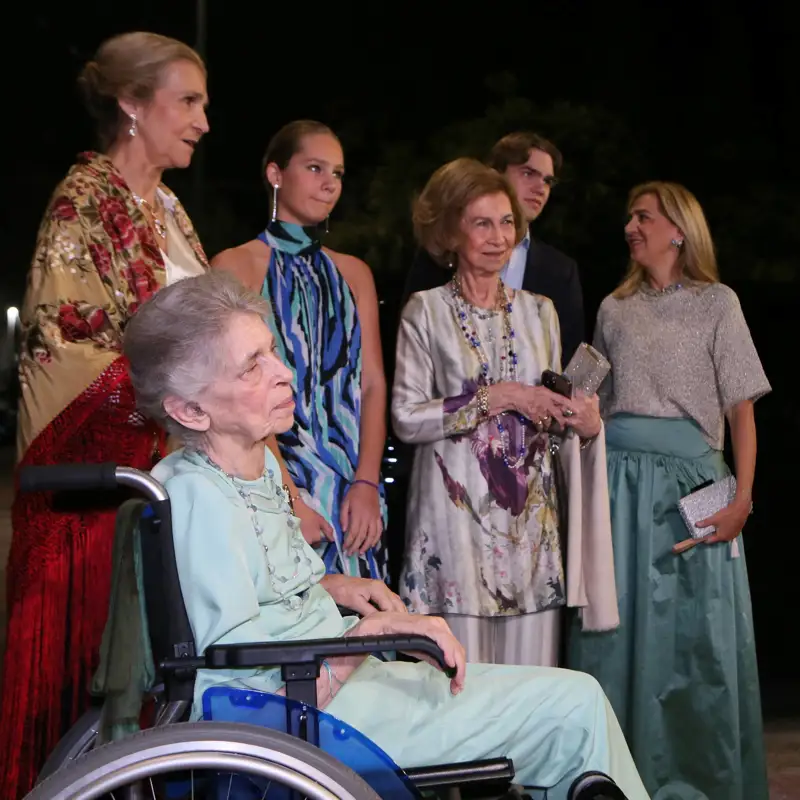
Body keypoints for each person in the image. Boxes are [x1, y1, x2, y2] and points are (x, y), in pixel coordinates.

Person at [123, 270, 650, 800]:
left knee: (569, 703)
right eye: (251, 368)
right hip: (313, 717)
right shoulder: (196, 496)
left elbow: (256, 589)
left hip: (334, 682)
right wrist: (370, 636)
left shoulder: (249, 465)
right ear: (190, 409)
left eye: (272, 353)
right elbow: (234, 683)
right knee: (574, 707)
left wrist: (335, 586)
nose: (284, 373)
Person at [0, 32, 209, 798]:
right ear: (131, 103)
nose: (203, 121)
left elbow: (210, 339)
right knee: (82, 708)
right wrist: (191, 402)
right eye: (188, 101)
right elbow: (69, 354)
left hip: (173, 485)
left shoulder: (169, 209)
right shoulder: (81, 204)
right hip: (97, 510)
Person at [568, 182, 770, 800]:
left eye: (643, 216)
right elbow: (584, 395)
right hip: (620, 485)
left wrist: (742, 498)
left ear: (678, 229)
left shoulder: (718, 303)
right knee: (614, 629)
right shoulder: (613, 308)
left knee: (698, 637)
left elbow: (741, 413)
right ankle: (614, 781)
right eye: (630, 216)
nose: (631, 226)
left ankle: (700, 781)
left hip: (693, 485)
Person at [392, 158, 617, 666]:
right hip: (451, 533)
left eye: (507, 222)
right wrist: (505, 397)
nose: (499, 237)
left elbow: (550, 424)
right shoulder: (424, 311)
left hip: (530, 537)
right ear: (450, 232)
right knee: (458, 697)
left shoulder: (541, 312)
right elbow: (406, 418)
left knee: (530, 697)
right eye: (481, 223)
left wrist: (579, 422)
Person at [212, 120, 389, 581]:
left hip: (352, 494)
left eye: (338, 172)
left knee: (367, 631)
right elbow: (233, 394)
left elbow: (372, 385)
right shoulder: (235, 265)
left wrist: (368, 484)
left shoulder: (355, 274)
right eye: (314, 167)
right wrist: (289, 498)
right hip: (268, 481)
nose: (330, 182)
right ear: (275, 174)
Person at [401, 132, 584, 364]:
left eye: (548, 181)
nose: (541, 188)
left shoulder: (561, 271)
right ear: (496, 175)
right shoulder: (445, 249)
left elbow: (570, 363)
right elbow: (410, 354)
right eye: (528, 173)